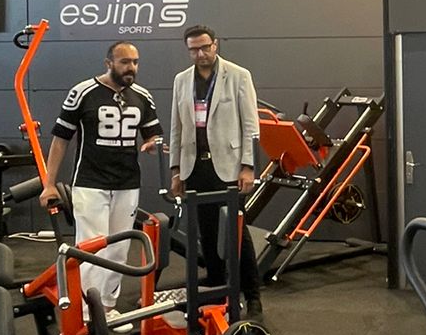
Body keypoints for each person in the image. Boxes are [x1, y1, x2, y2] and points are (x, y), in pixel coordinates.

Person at [42, 41, 163, 311]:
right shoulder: (83, 92)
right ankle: (87, 313)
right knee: (91, 248)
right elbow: (60, 140)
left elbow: (152, 136)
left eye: (135, 62)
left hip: (127, 183)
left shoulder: (142, 96)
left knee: (119, 250)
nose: (131, 67)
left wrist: (153, 144)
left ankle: (106, 308)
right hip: (90, 182)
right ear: (109, 63)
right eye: (125, 62)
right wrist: (49, 184)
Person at [169, 23, 265, 317]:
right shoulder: (181, 80)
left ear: (215, 44)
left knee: (236, 232)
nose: (200, 54)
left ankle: (253, 296)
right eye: (193, 50)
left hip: (228, 167)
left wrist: (248, 166)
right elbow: (176, 127)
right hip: (195, 167)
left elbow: (251, 126)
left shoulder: (238, 75)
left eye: (204, 47)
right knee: (206, 231)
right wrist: (176, 169)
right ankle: (215, 285)